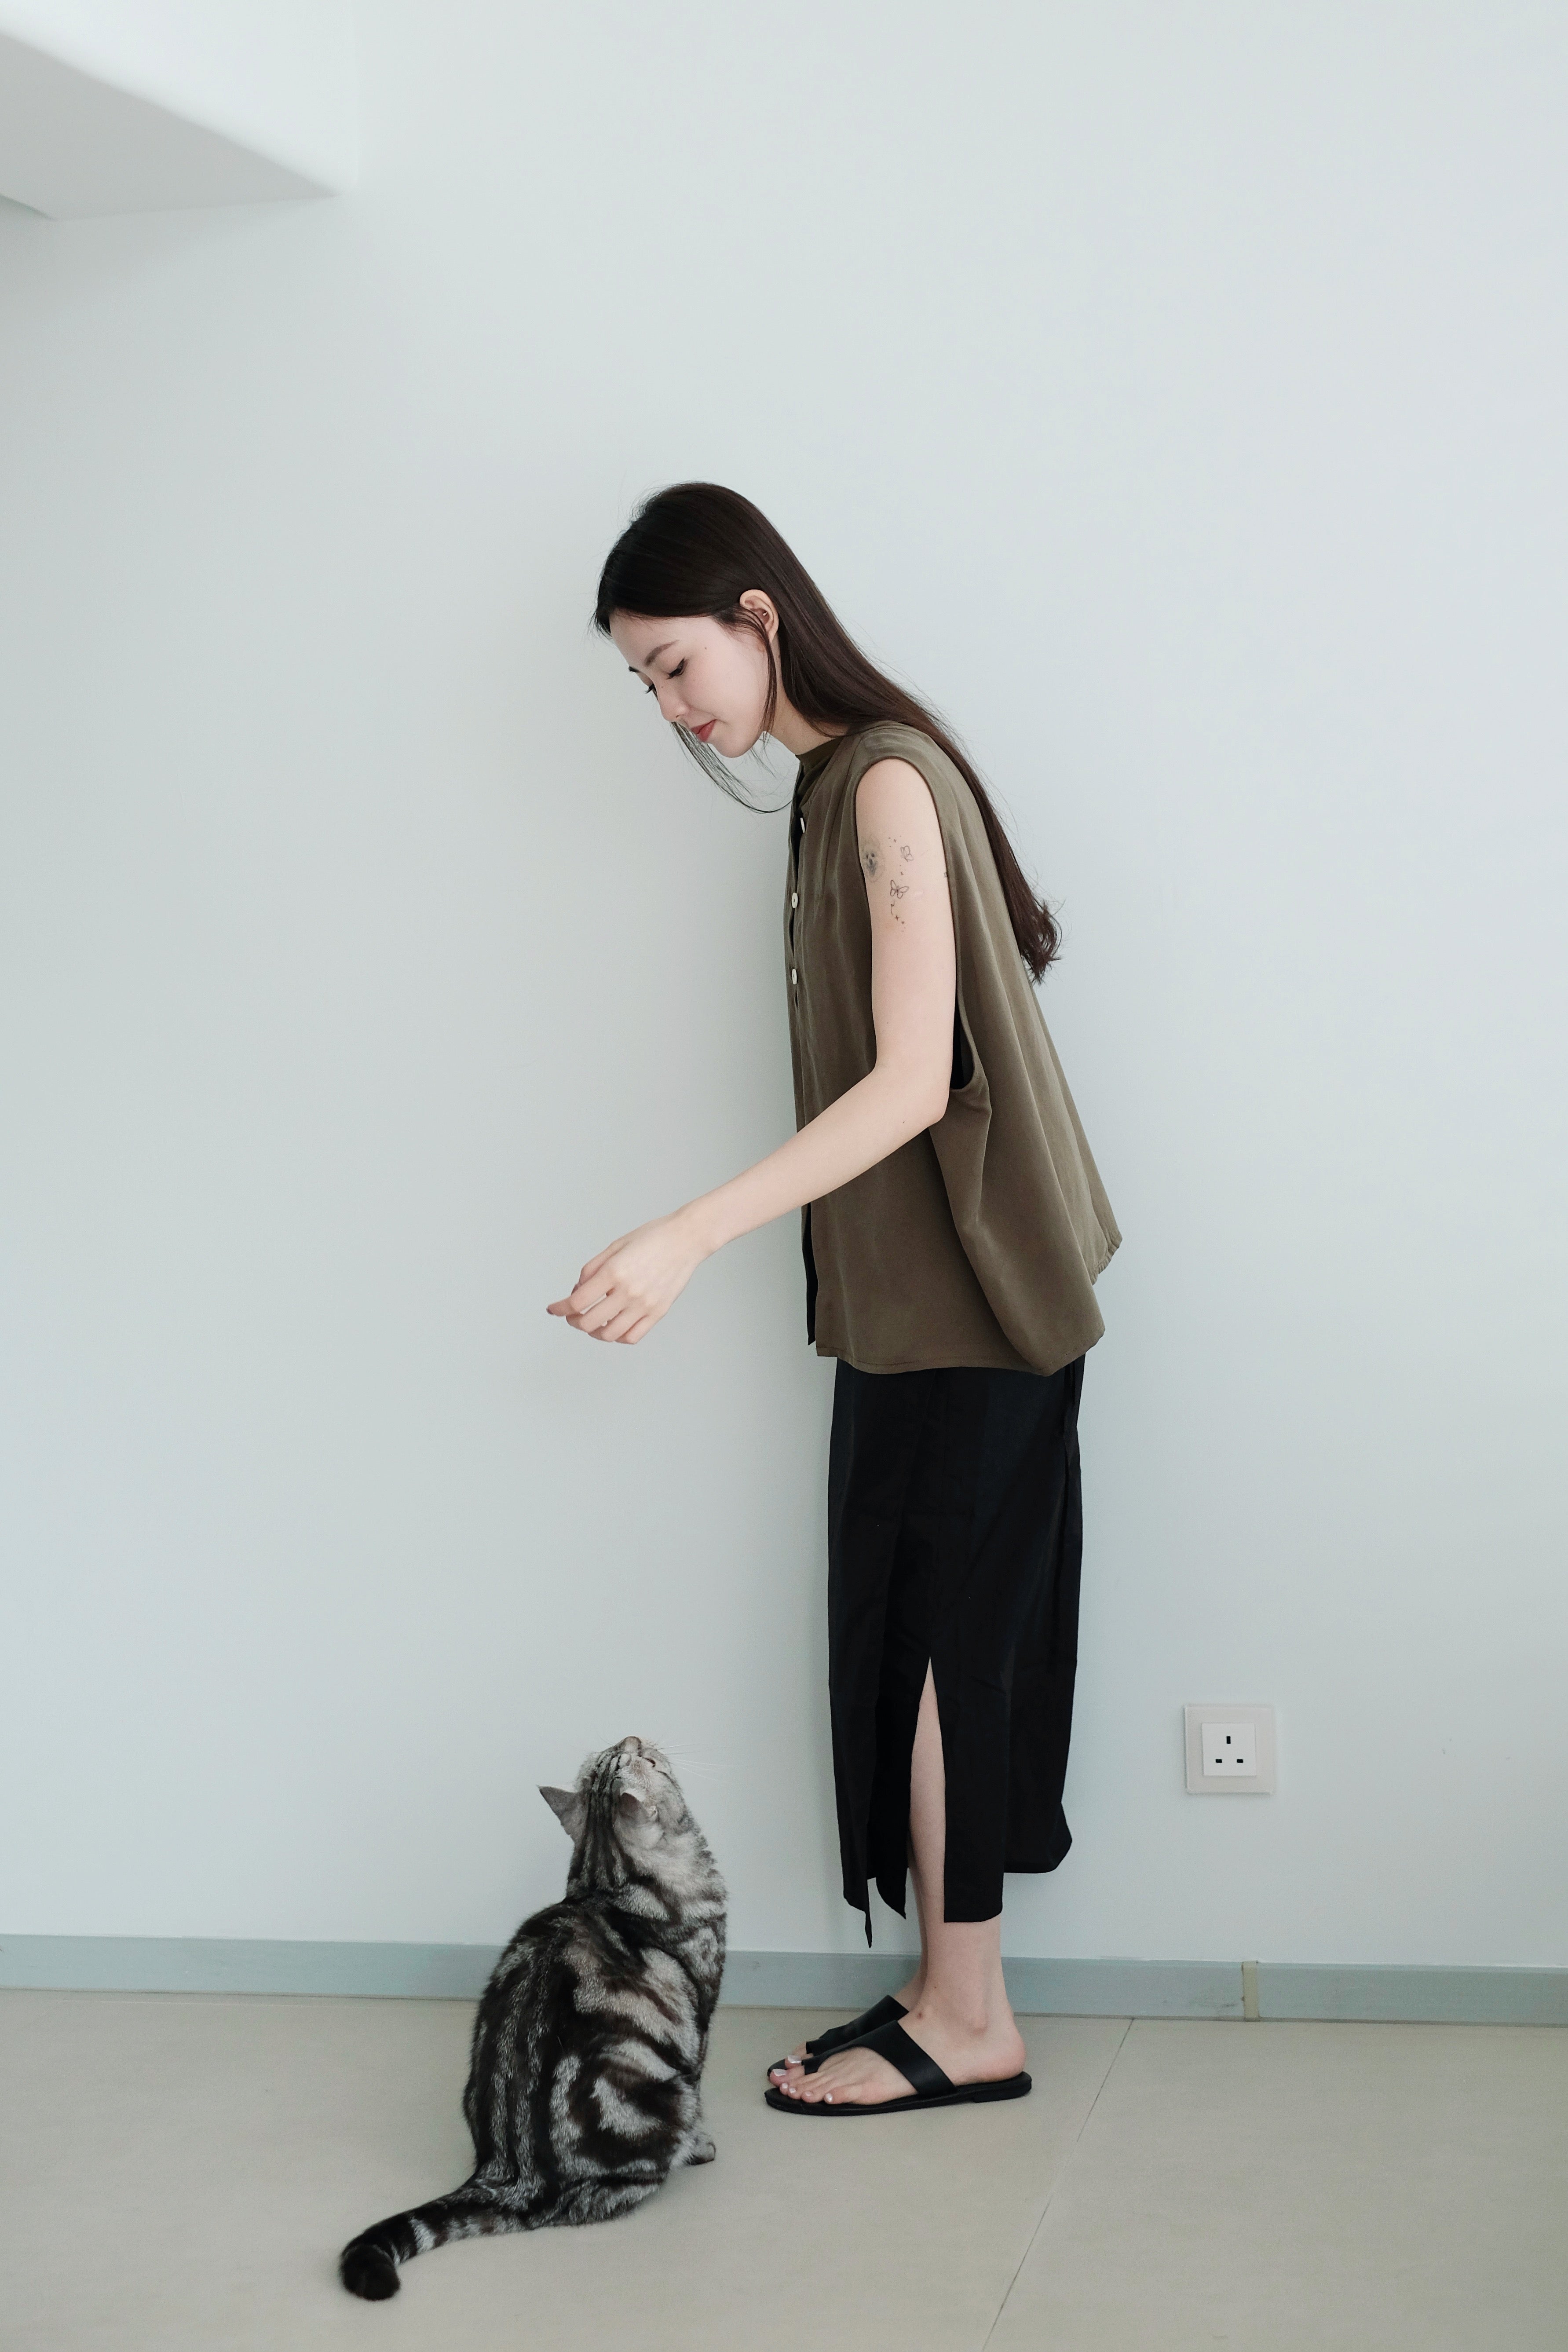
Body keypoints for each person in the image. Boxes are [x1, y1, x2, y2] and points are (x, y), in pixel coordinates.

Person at [548, 483, 1119, 2114]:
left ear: (758, 613)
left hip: (978, 1303)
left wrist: (688, 1235)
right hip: (909, 1305)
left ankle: (972, 2021)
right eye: (646, 684)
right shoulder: (829, 793)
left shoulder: (884, 782)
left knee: (947, 1655)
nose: (673, 708)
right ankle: (946, 1990)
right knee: (909, 1643)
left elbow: (913, 1082)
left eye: (675, 665)